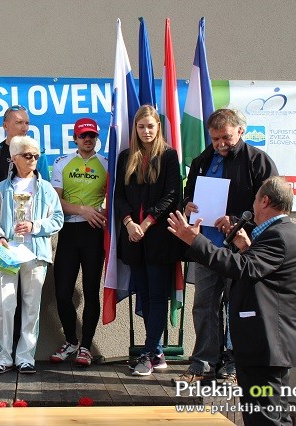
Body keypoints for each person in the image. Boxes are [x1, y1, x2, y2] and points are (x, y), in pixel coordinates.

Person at [168, 176, 296, 426]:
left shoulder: (278, 236)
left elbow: (243, 268)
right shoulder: (281, 233)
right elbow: (259, 271)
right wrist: (246, 247)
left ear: (265, 201)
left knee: (265, 418)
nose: (253, 204)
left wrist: (195, 241)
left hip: (266, 346)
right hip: (266, 346)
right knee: (274, 416)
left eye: (256, 198)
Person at [177, 108, 278, 384]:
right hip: (206, 246)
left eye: (226, 137)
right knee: (204, 305)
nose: (221, 144)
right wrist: (187, 204)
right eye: (215, 138)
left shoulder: (258, 160)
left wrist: (237, 221)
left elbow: (271, 206)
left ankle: (234, 363)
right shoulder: (202, 160)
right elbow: (188, 193)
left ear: (241, 131)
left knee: (238, 306)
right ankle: (203, 363)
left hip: (241, 248)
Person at [0, 104, 50, 365]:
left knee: (29, 301)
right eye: (19, 122)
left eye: (27, 123)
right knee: (0, 299)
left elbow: (46, 198)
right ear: (5, 125)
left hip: (32, 245)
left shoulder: (38, 155)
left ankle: (23, 355)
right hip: (1, 243)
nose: (24, 127)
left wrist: (38, 228)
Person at [0, 135, 63, 374]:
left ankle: (26, 357)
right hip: (7, 254)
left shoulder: (46, 188)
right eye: (28, 155)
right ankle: (3, 356)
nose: (33, 160)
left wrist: (34, 226)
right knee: (3, 306)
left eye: (36, 156)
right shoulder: (3, 188)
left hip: (35, 254)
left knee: (31, 307)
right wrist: (0, 237)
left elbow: (58, 219)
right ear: (14, 158)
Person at [113, 105, 181, 376]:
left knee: (157, 297)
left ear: (158, 127)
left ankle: (148, 353)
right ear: (135, 129)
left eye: (150, 126)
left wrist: (146, 223)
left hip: (159, 239)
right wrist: (129, 223)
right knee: (144, 296)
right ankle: (157, 351)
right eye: (141, 127)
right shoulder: (125, 156)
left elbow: (172, 196)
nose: (146, 131)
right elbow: (118, 195)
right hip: (133, 238)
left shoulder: (169, 156)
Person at [49, 118, 108, 367]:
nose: (88, 140)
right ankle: (71, 340)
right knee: (63, 293)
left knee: (91, 291)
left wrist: (102, 212)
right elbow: (56, 201)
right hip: (69, 230)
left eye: (92, 135)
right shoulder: (61, 162)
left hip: (94, 232)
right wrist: (82, 210)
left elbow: (114, 198)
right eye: (83, 136)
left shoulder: (106, 163)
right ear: (75, 138)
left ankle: (86, 346)